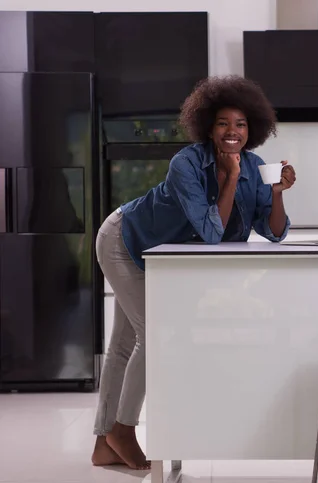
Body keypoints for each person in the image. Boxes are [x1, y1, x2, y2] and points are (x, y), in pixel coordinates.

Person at [91, 75, 296, 470]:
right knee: (152, 335)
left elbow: (273, 232)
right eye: (223, 123)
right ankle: (123, 428)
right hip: (125, 240)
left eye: (240, 124)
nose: (232, 131)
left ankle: (103, 443)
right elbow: (212, 232)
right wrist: (231, 178)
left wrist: (275, 194)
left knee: (124, 343)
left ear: (252, 129)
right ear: (207, 126)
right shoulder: (187, 163)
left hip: (157, 253)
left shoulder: (255, 167)